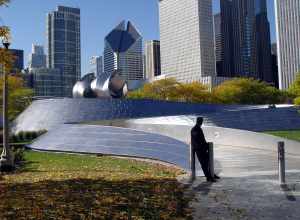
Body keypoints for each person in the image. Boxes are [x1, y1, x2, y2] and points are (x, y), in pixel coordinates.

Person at [191, 117, 220, 182]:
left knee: (209, 161)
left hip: (202, 149)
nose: (201, 122)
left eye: (201, 121)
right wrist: (204, 146)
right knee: (203, 164)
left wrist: (206, 145)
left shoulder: (198, 129)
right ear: (198, 121)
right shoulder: (194, 129)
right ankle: (208, 177)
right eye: (201, 121)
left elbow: (202, 140)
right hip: (199, 150)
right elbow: (196, 141)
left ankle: (211, 174)